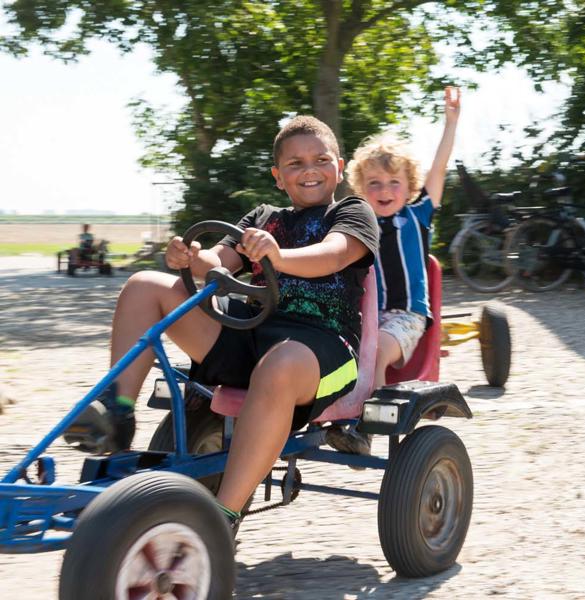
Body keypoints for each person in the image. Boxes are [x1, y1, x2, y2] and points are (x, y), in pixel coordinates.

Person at [63, 115, 380, 529]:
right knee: (144, 286)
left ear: (339, 166)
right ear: (278, 176)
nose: (309, 171)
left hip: (322, 347)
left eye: (320, 160)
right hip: (253, 332)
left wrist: (278, 257)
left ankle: (222, 518)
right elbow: (219, 261)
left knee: (280, 364)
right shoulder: (264, 217)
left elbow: (335, 254)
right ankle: (117, 413)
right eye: (295, 164)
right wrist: (190, 258)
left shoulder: (353, 212)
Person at [326, 87, 460, 456]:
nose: (384, 190)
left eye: (393, 183)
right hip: (366, 316)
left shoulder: (415, 217)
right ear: (360, 190)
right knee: (332, 346)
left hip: (405, 318)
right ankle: (330, 412)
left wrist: (450, 122)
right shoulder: (354, 227)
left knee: (373, 350)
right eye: (374, 184)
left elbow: (440, 168)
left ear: (409, 188)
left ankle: (364, 431)